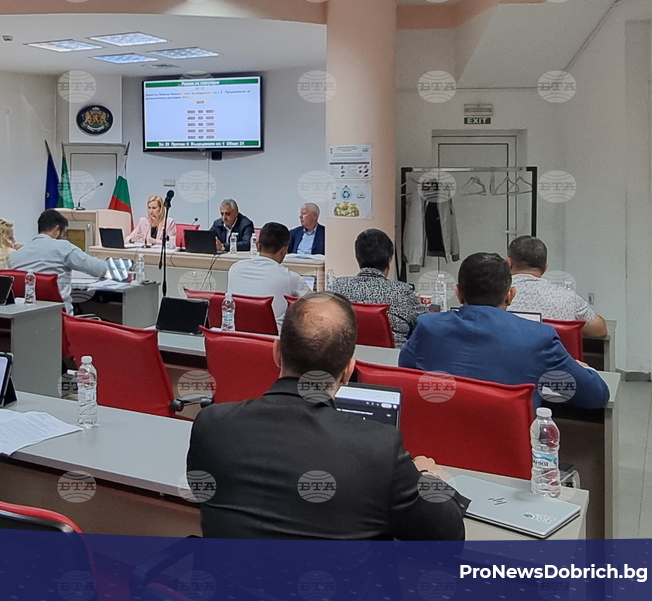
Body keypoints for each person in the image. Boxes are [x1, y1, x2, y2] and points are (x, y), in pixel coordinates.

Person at [187, 291, 468, 540]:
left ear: (276, 352)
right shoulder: (378, 449)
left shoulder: (210, 425)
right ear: (348, 371)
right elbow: (448, 535)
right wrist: (429, 478)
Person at [399, 252, 609, 410]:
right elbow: (596, 396)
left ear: (459, 293)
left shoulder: (428, 326)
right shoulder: (539, 337)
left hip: (437, 448)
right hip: (509, 453)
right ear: (510, 295)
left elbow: (405, 368)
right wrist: (584, 369)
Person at [331, 228, 428, 347]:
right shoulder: (402, 292)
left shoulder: (338, 287)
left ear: (358, 260)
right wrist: (415, 302)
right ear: (389, 261)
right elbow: (428, 325)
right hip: (393, 358)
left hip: (349, 357)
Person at [8, 209, 110, 311]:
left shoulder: (15, 256)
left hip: (26, 316)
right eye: (65, 233)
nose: (64, 237)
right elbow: (100, 268)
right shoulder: (63, 247)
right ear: (57, 229)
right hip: (59, 315)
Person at [506, 236, 607, 337]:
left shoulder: (499, 294)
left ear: (509, 263)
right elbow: (600, 330)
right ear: (545, 267)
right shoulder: (568, 298)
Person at [226, 222, 306, 327]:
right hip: (273, 336)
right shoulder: (291, 278)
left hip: (236, 334)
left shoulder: (234, 269)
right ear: (284, 250)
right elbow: (316, 303)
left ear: (257, 245)